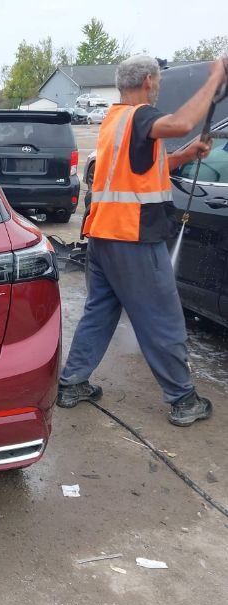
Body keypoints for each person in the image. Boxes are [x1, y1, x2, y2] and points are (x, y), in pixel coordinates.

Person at [57, 55, 227, 427]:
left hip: (103, 236)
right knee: (163, 319)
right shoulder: (141, 116)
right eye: (158, 80)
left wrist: (183, 155)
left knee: (99, 314)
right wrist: (215, 80)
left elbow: (139, 171)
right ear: (149, 80)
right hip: (133, 238)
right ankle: (183, 399)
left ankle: (72, 383)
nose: (159, 86)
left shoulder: (114, 119)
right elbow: (182, 123)